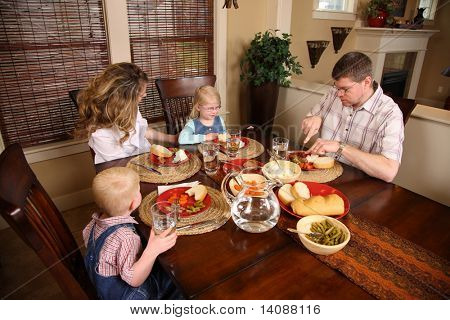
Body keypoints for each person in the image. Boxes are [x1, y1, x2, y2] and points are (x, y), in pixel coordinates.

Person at [301, 52, 404, 182]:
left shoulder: (390, 113)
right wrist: (314, 119)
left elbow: (389, 171)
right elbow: (310, 118)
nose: (339, 94)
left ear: (366, 82)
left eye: (345, 89)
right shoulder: (335, 93)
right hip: (322, 175)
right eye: (336, 87)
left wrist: (341, 147)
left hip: (359, 184)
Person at [83, 167, 180, 299]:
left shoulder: (92, 224)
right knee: (175, 280)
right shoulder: (127, 238)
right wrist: (153, 250)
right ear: (134, 203)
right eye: (139, 191)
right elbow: (134, 280)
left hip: (105, 290)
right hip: (130, 297)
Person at [76, 62, 177, 164]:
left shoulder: (129, 106)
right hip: (121, 169)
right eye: (141, 95)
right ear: (122, 99)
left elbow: (142, 130)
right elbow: (121, 165)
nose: (144, 95)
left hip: (142, 159)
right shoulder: (99, 131)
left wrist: (172, 138)